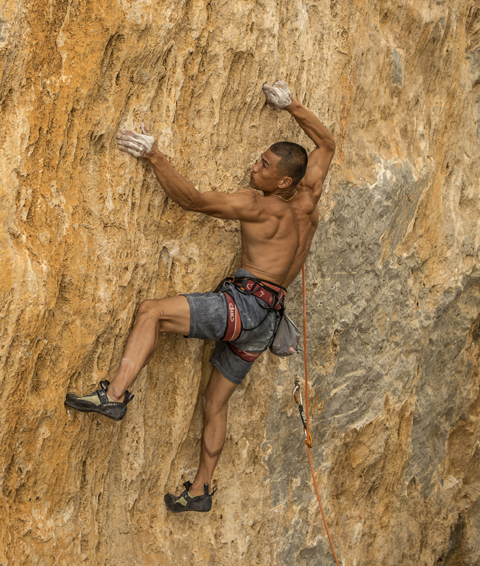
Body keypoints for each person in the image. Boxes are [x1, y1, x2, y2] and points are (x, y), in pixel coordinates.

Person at [65, 81, 336, 512]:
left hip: (244, 305)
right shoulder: (310, 195)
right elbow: (326, 142)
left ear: (283, 179)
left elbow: (191, 200)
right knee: (214, 403)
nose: (254, 166)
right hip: (267, 322)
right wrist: (292, 105)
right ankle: (200, 490)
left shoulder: (259, 206)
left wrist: (155, 155)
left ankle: (114, 396)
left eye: (263, 165)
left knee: (152, 312)